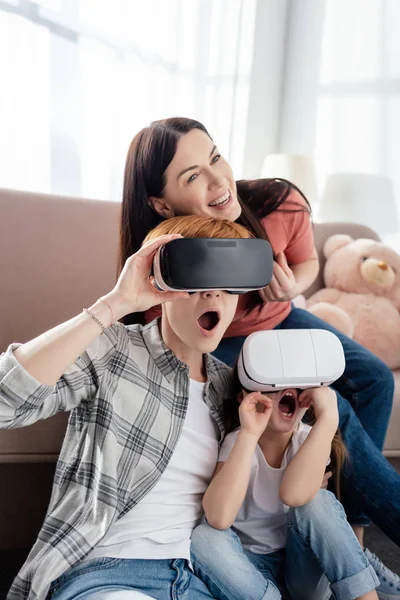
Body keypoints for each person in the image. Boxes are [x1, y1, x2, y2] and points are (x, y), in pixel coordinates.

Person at [117, 117, 400, 592]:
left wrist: (296, 286)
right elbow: (155, 330)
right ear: (161, 203)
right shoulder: (166, 248)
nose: (217, 180)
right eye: (192, 177)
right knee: (336, 410)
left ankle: (351, 522)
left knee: (374, 378)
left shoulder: (277, 202)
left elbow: (308, 258)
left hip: (279, 315)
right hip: (222, 336)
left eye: (214, 157)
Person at [0, 215, 252, 600]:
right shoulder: (115, 349)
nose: (213, 294)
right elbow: (6, 403)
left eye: (228, 283)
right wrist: (116, 303)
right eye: (196, 278)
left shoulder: (233, 387)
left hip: (200, 576)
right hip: (107, 573)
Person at [190, 362, 380, 600]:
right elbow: (218, 517)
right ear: (244, 397)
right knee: (203, 538)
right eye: (273, 382)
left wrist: (328, 418)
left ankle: (366, 596)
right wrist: (250, 433)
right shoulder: (238, 442)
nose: (287, 388)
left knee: (317, 501)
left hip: (301, 565)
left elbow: (293, 495)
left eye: (298, 386)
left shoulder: (310, 439)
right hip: (250, 573)